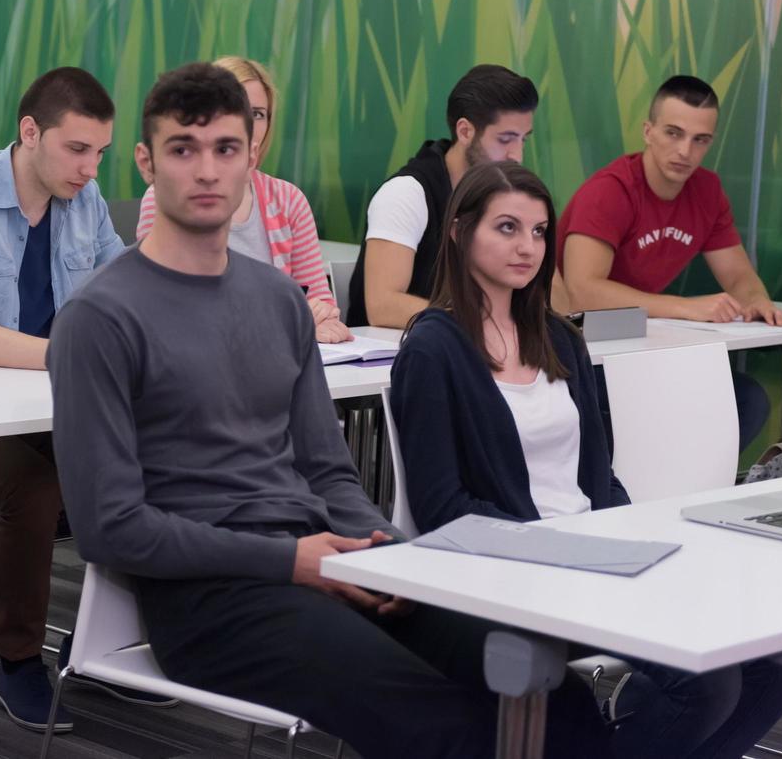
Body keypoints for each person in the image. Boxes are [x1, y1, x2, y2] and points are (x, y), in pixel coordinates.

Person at [48, 63, 611, 759]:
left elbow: (328, 469)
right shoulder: (98, 318)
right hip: (211, 600)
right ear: (145, 161)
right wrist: (294, 562)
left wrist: (378, 552)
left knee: (550, 686)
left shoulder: (280, 300)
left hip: (328, 562)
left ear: (251, 154)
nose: (206, 171)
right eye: (182, 149)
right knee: (446, 722)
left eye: (226, 148)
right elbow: (110, 530)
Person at [390, 160, 782, 759]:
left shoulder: (560, 338)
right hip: (510, 573)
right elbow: (442, 509)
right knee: (704, 688)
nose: (527, 246)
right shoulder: (432, 348)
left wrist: (625, 540)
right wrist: (560, 549)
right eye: (506, 228)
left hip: (590, 559)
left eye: (539, 231)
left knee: (768, 666)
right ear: (458, 232)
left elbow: (600, 476)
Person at [0, 66, 163, 731]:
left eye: (100, 154)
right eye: (76, 150)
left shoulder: (86, 207)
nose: (89, 170)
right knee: (37, 488)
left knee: (155, 461)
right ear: (29, 133)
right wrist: (79, 357)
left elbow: (121, 301)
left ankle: (104, 648)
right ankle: (20, 663)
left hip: (45, 408)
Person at [559, 75, 782, 453]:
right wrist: (686, 307)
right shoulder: (610, 191)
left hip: (646, 351)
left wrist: (757, 299)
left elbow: (738, 274)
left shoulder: (707, 191)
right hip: (582, 356)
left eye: (700, 140)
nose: (685, 151)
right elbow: (583, 290)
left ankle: (676, 495)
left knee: (747, 400)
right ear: (648, 131)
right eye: (673, 133)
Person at [135, 55, 350, 342]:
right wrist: (289, 320)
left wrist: (311, 320)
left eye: (258, 113)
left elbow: (323, 306)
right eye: (237, 109)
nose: (249, 123)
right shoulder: (165, 197)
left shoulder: (288, 199)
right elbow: (168, 310)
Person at [349, 64, 539, 328]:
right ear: (465, 132)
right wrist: (485, 323)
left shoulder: (507, 197)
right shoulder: (406, 193)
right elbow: (383, 306)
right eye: (505, 139)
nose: (516, 155)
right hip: (396, 359)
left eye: (523, 140)